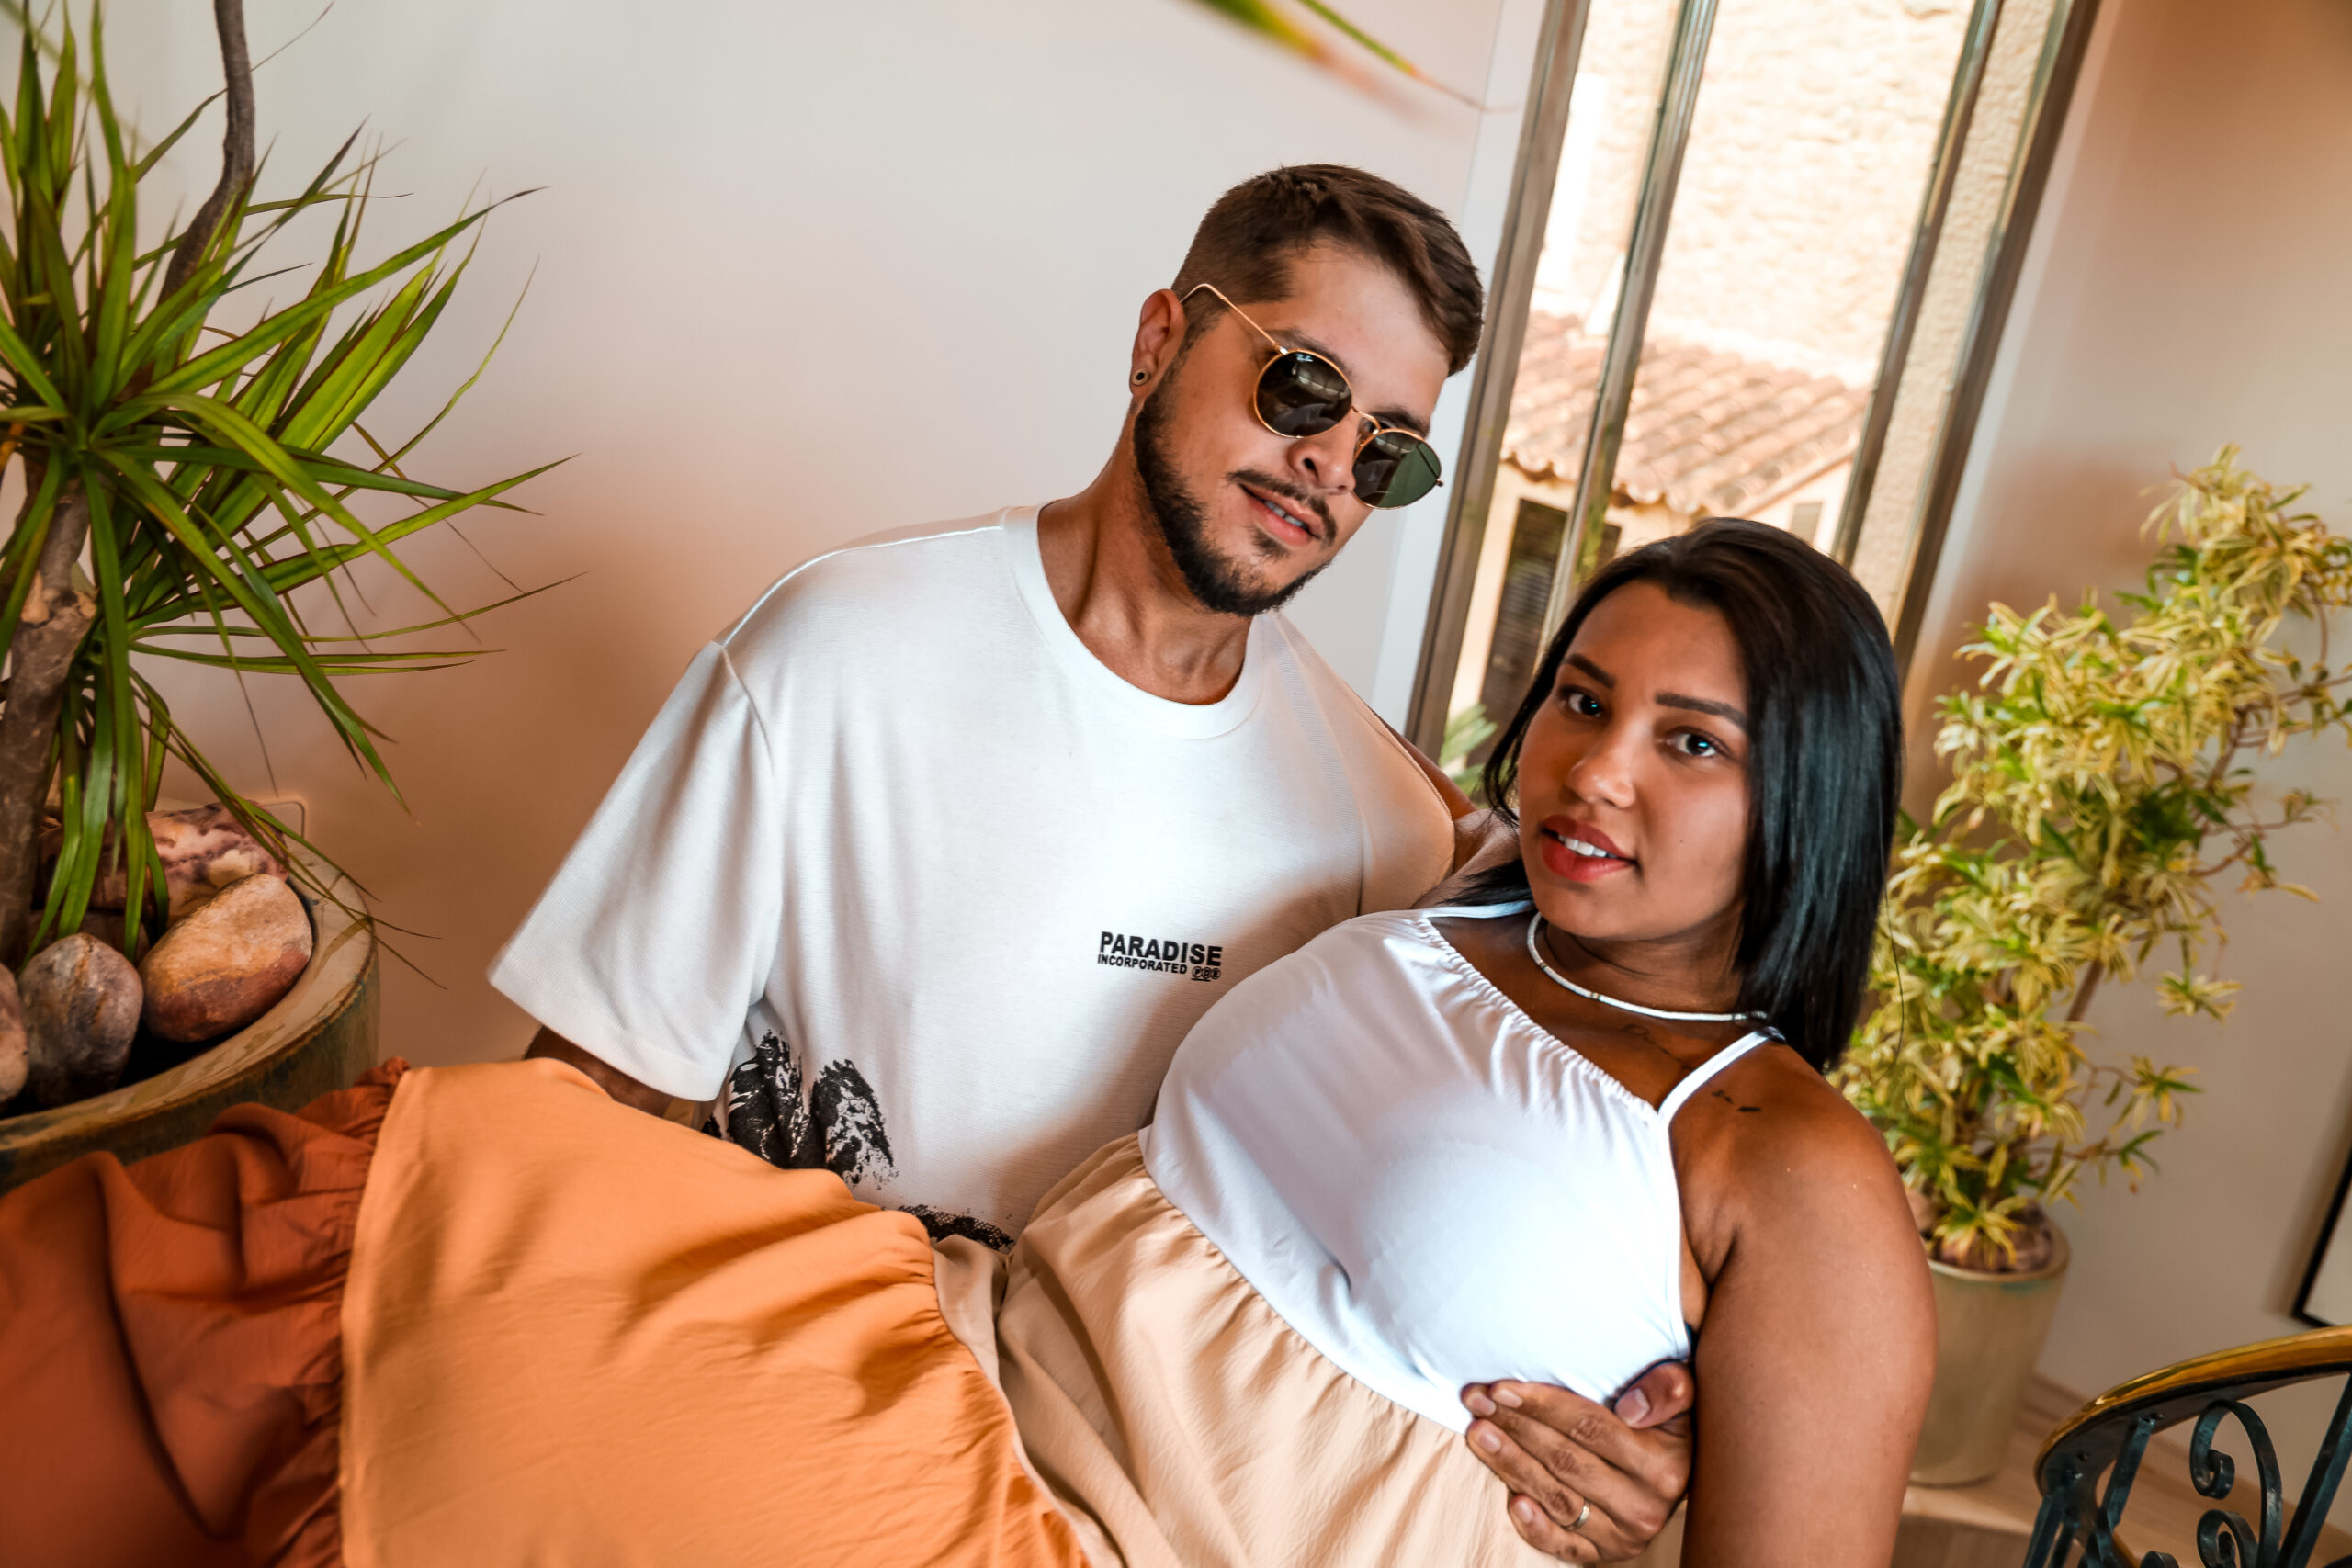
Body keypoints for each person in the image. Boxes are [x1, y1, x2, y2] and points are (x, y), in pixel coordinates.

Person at [0, 520, 1936, 1568]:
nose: (1599, 769)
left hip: (1110, 1537)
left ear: (1809, 800)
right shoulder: (1463, 878)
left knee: (504, 1412)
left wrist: (1673, 1515)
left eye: (1693, 742)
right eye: (1581, 697)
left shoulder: (1788, 1168)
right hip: (951, 1341)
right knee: (437, 1197)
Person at [492, 163, 1688, 1545]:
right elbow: (575, 1119)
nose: (1327, 464)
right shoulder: (838, 657)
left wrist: (1639, 1439)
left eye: (1387, 455)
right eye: (1302, 385)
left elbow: (1492, 1182)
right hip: (770, 1464)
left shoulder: (1382, 825)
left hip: (1102, 1525)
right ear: (1159, 340)